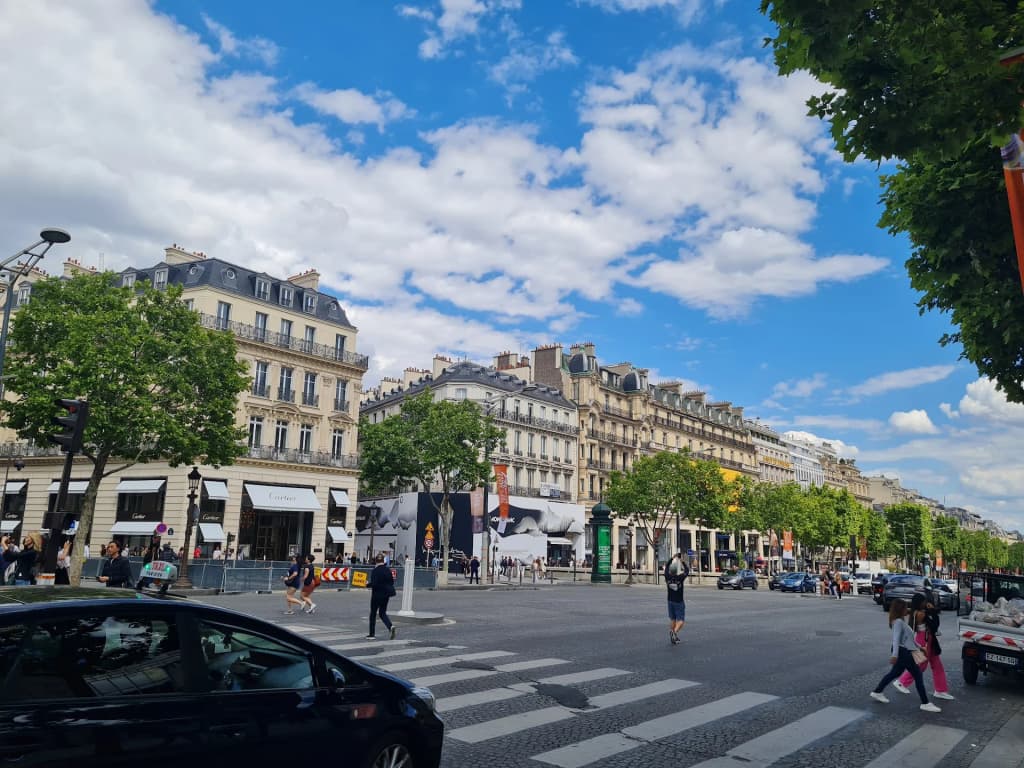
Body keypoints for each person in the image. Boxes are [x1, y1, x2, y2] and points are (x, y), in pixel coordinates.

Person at [870, 598, 941, 712]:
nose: (907, 609)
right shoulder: (898, 622)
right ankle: (925, 703)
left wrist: (920, 647)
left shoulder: (899, 621)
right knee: (917, 675)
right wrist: (894, 655)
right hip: (903, 652)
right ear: (900, 609)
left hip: (903, 650)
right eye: (905, 607)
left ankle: (877, 691)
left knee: (895, 673)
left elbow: (908, 639)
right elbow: (896, 639)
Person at [893, 593, 954, 700]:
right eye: (924, 601)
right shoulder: (920, 614)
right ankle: (901, 682)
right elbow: (935, 626)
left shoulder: (917, 612)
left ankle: (941, 690)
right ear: (920, 603)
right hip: (924, 640)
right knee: (921, 665)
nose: (926, 603)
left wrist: (932, 611)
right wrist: (934, 611)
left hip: (928, 639)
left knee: (937, 665)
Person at [367, 553, 396, 640]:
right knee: (382, 613)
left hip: (376, 595)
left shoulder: (375, 571)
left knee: (373, 614)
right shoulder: (388, 570)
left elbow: (374, 584)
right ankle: (390, 626)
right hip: (386, 595)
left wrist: (367, 585)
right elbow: (391, 582)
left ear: (376, 561)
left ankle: (372, 634)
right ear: (383, 561)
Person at [664, 552, 690, 645]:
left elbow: (666, 567)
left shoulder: (667, 577)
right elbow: (687, 571)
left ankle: (673, 635)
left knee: (672, 619)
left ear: (670, 571)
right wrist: (682, 561)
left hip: (670, 600)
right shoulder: (680, 578)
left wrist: (672, 558)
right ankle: (674, 632)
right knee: (681, 620)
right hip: (678, 601)